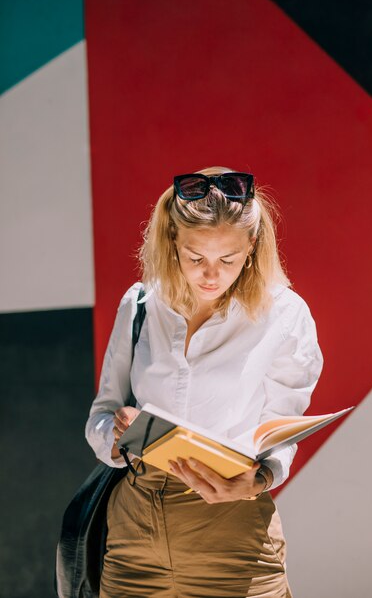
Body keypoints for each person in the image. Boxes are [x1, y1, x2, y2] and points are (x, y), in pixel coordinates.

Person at [85, 166, 324, 598]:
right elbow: (102, 414)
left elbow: (280, 431)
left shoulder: (284, 315)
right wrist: (117, 431)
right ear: (172, 242)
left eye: (227, 260)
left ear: (251, 247)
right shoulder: (140, 304)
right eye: (196, 258)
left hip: (230, 533)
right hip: (133, 530)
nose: (210, 275)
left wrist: (259, 479)